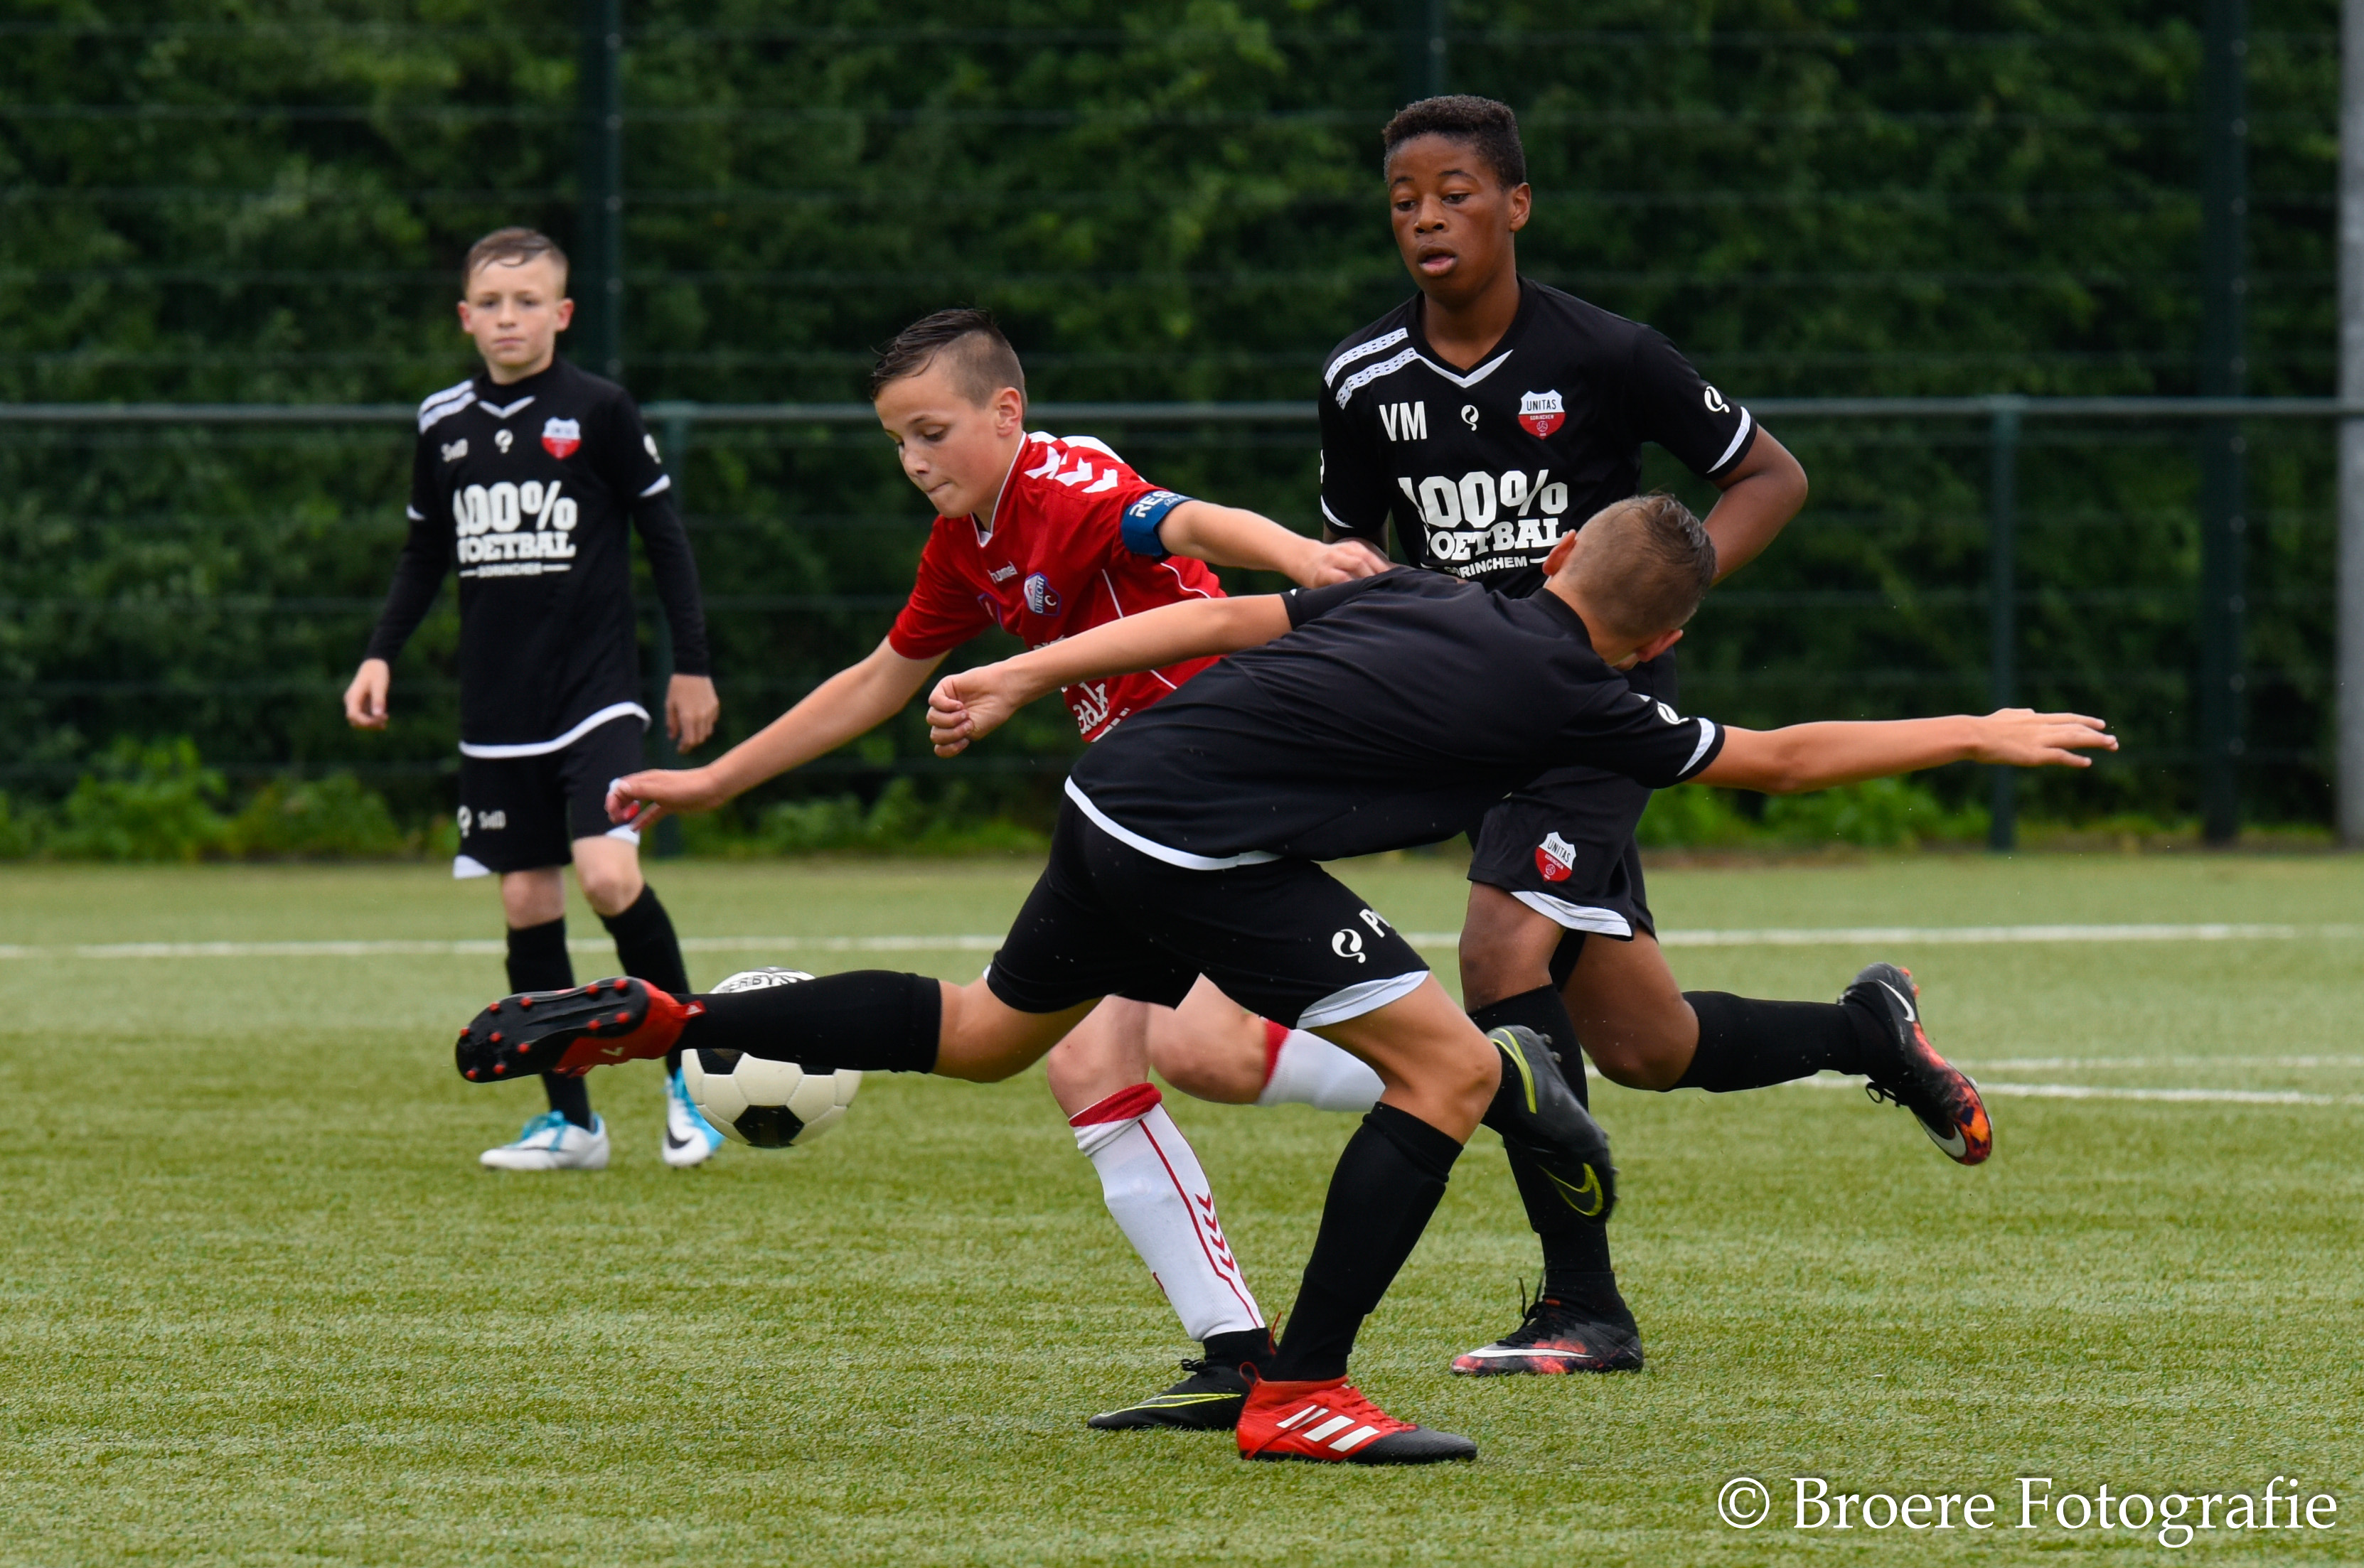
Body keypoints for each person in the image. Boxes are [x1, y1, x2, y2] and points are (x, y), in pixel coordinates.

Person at [454, 492, 2115, 1464]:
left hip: (1115, 793)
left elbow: (1216, 626)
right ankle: (1302, 1392)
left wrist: (1027, 671)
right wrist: (1976, 728)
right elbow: (1782, 754)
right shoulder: (1589, 701)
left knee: (983, 1035)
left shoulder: (1417, 591)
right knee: (1453, 1072)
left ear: (1561, 558)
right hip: (1205, 850)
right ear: (1656, 635)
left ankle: (678, 1019)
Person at [607, 307, 1394, 1429]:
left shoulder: (1062, 483)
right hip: (1150, 803)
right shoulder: (963, 545)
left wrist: (1302, 559)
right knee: (1111, 1060)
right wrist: (715, 782)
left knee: (1187, 1049)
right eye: (897, 441)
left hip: (1217, 766)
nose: (914, 460)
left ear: (1005, 413)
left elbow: (1179, 520)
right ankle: (1239, 1348)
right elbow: (878, 678)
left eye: (931, 432)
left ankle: (1475, 1084)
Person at [1320, 95, 1967, 1380]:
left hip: (1587, 706)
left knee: (1498, 951)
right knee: (1642, 1045)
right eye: (1403, 201)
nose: (1427, 218)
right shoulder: (1361, 377)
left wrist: (1655, 602)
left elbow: (1769, 475)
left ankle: (1584, 1304)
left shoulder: (1607, 353)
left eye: (1454, 193)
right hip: (1470, 713)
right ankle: (1865, 1034)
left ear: (1515, 205)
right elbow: (1349, 549)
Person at [344, 226, 724, 1171]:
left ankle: (692, 1079)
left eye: (527, 302)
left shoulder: (598, 409)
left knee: (608, 877)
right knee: (525, 900)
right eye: (491, 303)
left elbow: (665, 537)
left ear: (562, 313)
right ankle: (572, 1122)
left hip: (596, 695)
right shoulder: (443, 422)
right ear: (464, 317)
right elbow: (424, 551)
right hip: (498, 711)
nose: (508, 318)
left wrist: (691, 664)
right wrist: (380, 654)